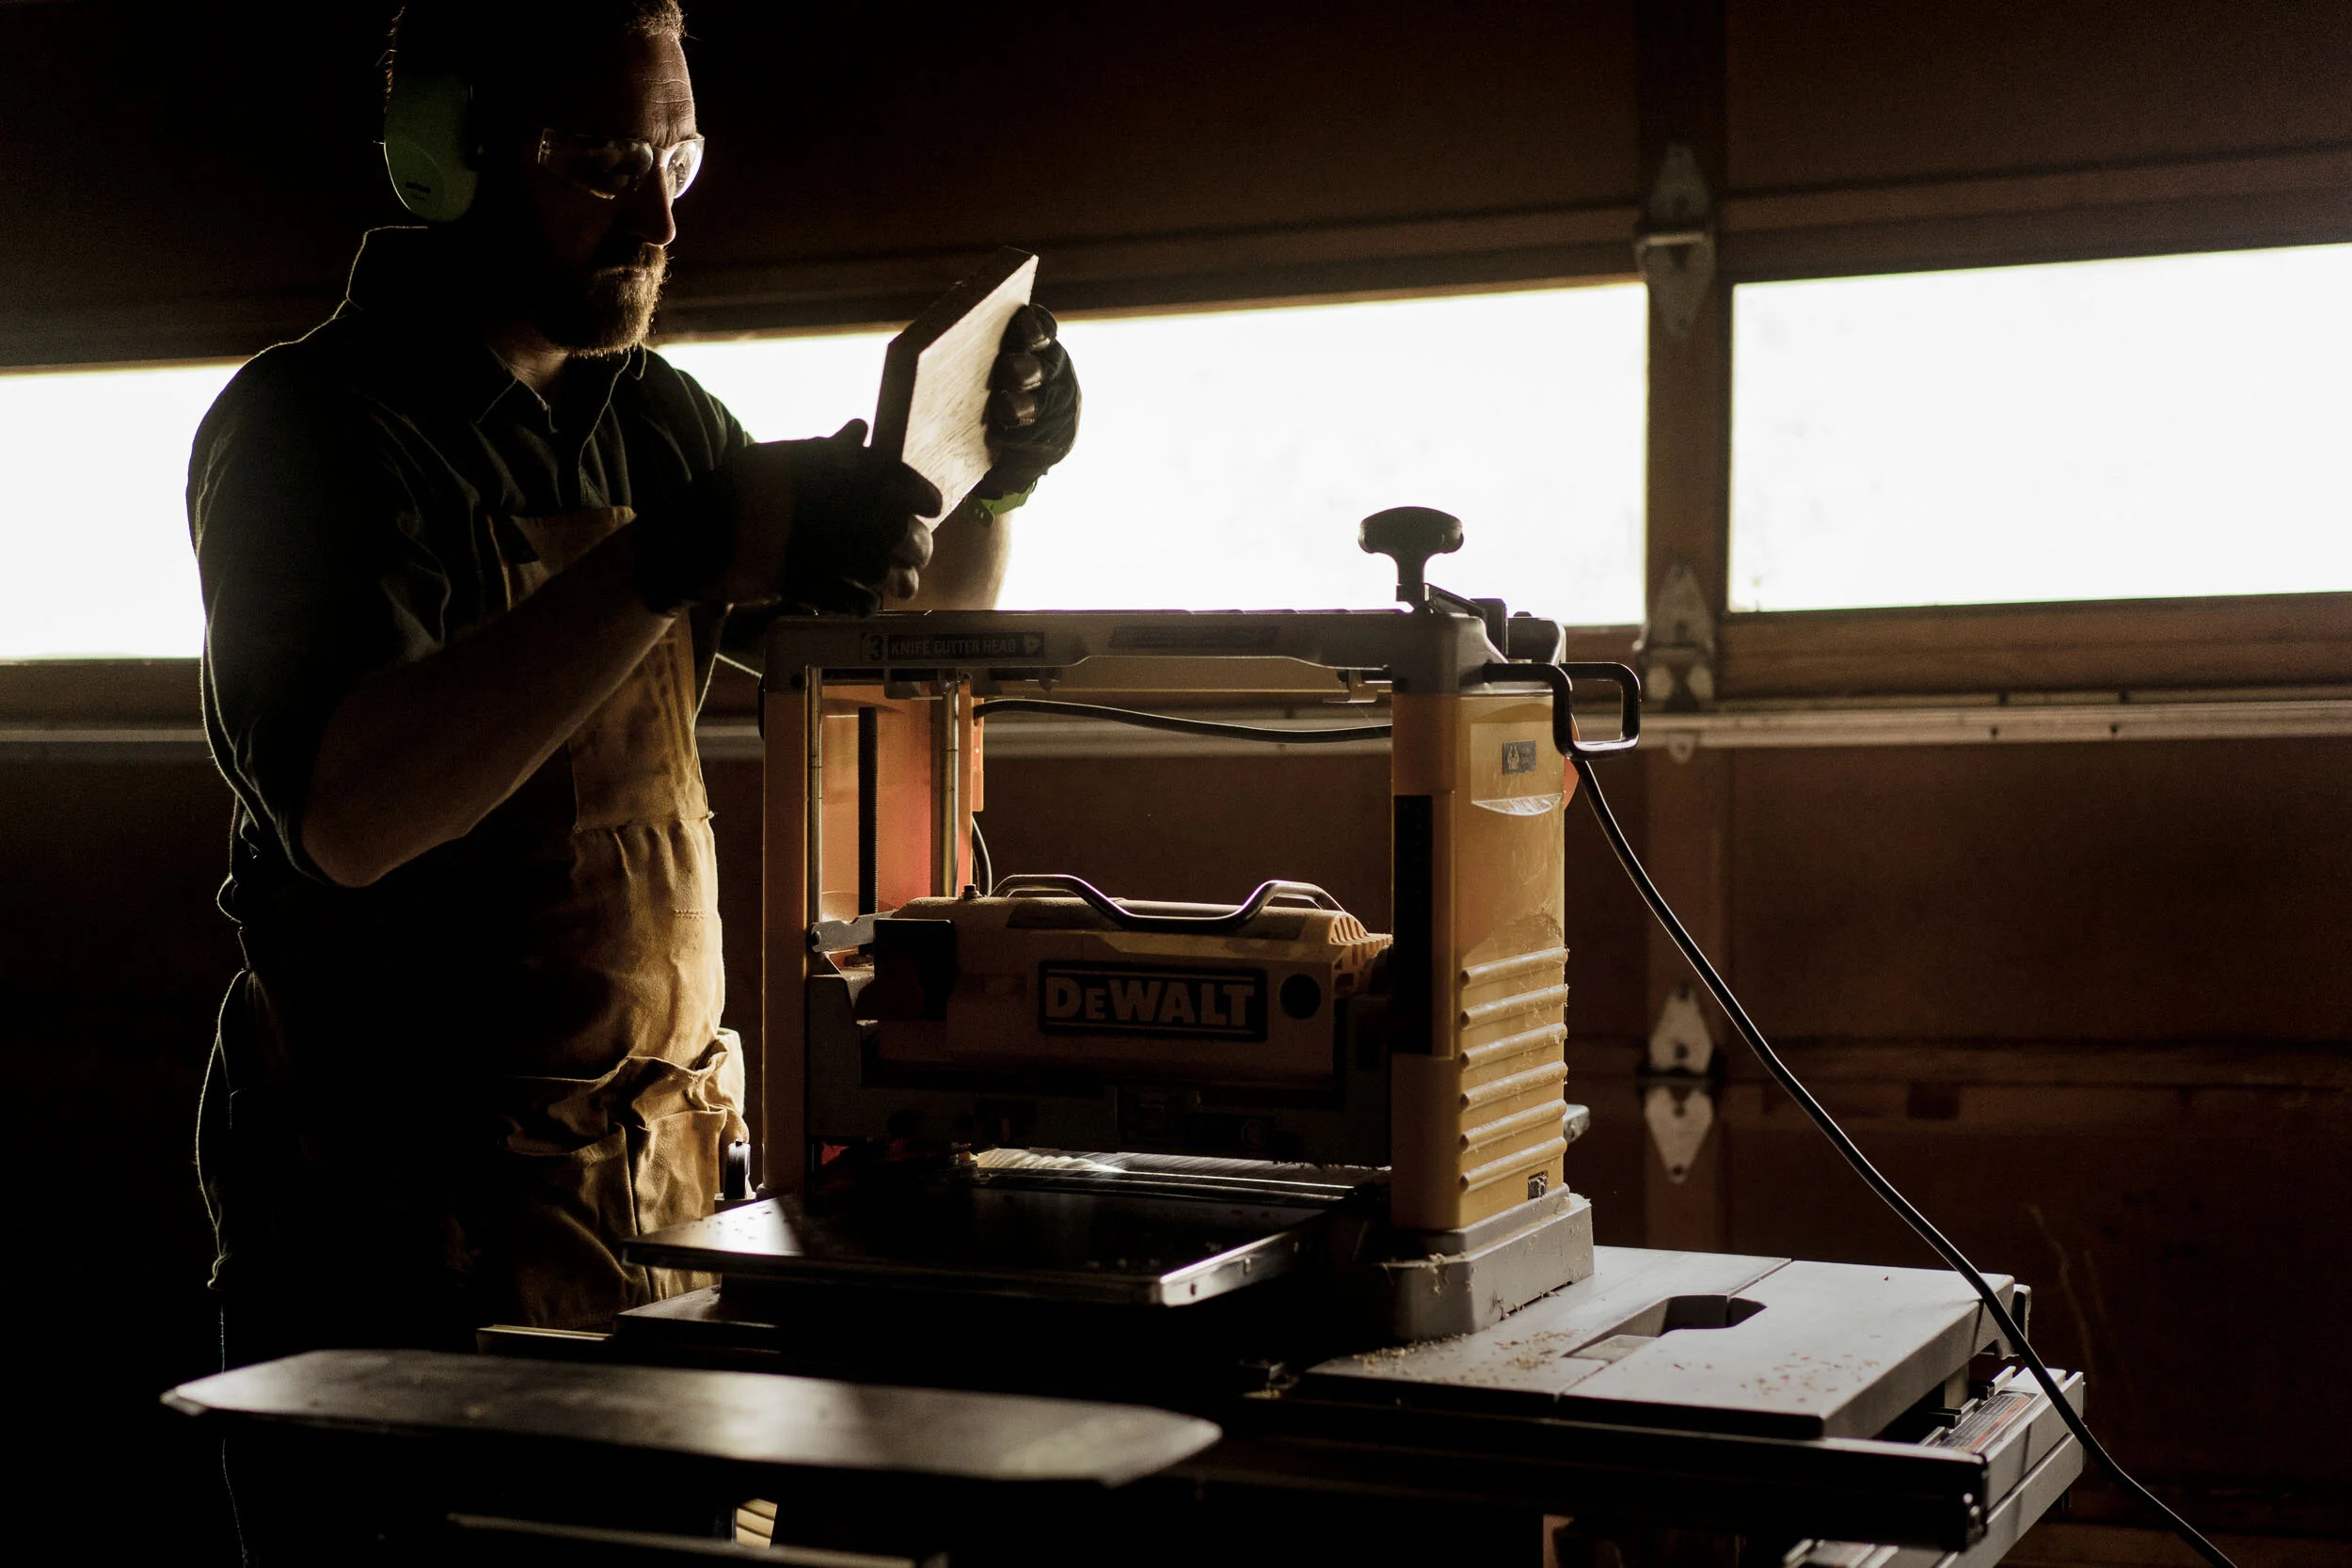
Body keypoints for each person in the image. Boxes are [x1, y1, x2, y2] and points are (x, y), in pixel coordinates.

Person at [189, 0, 1080, 1370]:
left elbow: (900, 672)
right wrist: (668, 557)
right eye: (603, 166)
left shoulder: (650, 415)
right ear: (455, 155)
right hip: (397, 1236)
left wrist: (989, 479)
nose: (658, 224)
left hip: (656, 1195)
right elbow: (352, 815)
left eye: (680, 163)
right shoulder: (314, 429)